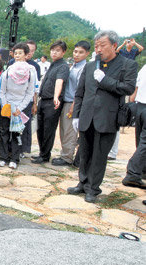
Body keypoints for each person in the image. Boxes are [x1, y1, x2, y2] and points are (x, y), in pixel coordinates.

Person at [68, 30, 137, 203]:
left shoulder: (127, 65)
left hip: (107, 117)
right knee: (84, 153)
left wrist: (105, 80)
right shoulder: (90, 65)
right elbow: (80, 92)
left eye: (102, 45)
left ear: (114, 46)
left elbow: (128, 88)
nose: (98, 49)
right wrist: (76, 114)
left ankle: (93, 188)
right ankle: (82, 183)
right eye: (96, 45)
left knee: (99, 155)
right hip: (86, 115)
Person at [0, 43, 36, 169]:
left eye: (20, 53)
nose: (18, 55)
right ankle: (3, 157)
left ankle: (14, 158)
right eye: (16, 53)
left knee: (16, 134)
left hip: (21, 107)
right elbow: (2, 91)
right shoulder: (8, 70)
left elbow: (30, 92)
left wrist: (19, 108)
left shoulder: (31, 71)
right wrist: (6, 107)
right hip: (7, 105)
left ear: (26, 55)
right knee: (4, 132)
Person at [52, 41, 90, 167]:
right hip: (66, 101)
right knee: (64, 129)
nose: (77, 54)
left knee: (69, 131)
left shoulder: (83, 68)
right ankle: (65, 154)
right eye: (75, 51)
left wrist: (74, 105)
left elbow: (80, 89)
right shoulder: (73, 66)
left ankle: (67, 157)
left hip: (72, 103)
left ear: (87, 53)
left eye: (81, 52)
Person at [32, 40, 69, 164]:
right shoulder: (53, 64)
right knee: (40, 128)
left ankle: (45, 155)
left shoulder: (63, 66)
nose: (54, 52)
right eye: (53, 50)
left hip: (52, 102)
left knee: (48, 129)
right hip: (43, 100)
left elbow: (60, 81)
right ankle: (42, 153)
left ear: (63, 52)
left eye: (58, 50)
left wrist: (56, 96)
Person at [122, 64, 146, 189]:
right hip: (142, 105)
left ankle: (142, 171)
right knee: (144, 143)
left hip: (140, 107)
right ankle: (133, 173)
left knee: (141, 141)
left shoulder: (145, 67)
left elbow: (135, 88)